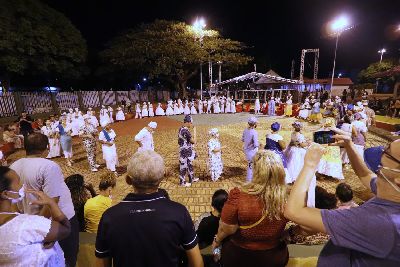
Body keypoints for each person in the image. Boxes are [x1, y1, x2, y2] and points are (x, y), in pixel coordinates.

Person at [284, 133, 400, 267]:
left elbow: (294, 211)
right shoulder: (391, 191)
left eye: (388, 153)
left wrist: (310, 165)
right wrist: (349, 145)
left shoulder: (381, 222)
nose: (382, 154)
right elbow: (366, 175)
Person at [95, 150, 203, 267]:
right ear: (161, 178)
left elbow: (101, 263)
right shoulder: (179, 212)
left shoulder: (109, 217)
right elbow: (197, 263)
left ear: (128, 180)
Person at [10, 133, 79, 267]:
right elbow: (51, 200)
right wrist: (42, 232)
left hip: (30, 221)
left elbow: (13, 200)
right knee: (68, 258)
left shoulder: (14, 166)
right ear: (47, 147)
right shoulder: (49, 166)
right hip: (55, 222)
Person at [212, 150, 289, 267]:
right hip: (274, 257)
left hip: (240, 257)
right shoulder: (288, 198)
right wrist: (290, 232)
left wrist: (217, 241)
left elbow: (227, 229)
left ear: (256, 172)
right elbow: (306, 226)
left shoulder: (238, 196)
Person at [0, 166, 71, 266]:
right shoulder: (25, 224)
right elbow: (65, 229)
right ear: (5, 194)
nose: (22, 186)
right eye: (18, 183)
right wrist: (51, 203)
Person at [178, 115, 199, 186]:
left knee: (189, 164)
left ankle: (192, 178)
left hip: (186, 150)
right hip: (185, 151)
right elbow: (194, 141)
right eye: (190, 123)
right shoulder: (185, 131)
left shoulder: (181, 128)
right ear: (187, 122)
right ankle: (182, 182)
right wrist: (195, 131)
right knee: (183, 166)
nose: (191, 124)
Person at [242, 117, 259, 182]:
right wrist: (259, 145)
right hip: (252, 151)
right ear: (254, 124)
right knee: (251, 166)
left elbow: (243, 139)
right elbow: (256, 144)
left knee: (250, 165)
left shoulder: (245, 130)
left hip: (247, 150)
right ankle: (249, 180)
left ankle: (250, 179)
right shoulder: (254, 132)